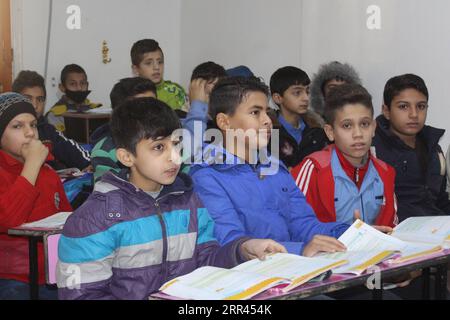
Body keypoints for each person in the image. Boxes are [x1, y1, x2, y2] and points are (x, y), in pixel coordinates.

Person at [57, 97, 286, 300]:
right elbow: (82, 295)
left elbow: (206, 263)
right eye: (159, 147)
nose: (174, 157)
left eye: (176, 144)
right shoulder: (95, 218)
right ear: (126, 157)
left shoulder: (188, 201)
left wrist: (242, 249)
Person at [189, 76, 349, 257]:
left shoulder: (274, 167)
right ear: (224, 122)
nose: (267, 120)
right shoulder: (207, 176)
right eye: (255, 113)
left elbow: (304, 224)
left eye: (267, 111)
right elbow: (232, 243)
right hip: (250, 279)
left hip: (293, 269)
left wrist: (351, 233)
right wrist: (301, 250)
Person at [291, 84, 397, 228]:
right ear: (330, 132)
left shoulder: (385, 172)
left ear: (373, 128)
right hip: (326, 250)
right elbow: (294, 224)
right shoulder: (314, 169)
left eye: (364, 124)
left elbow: (391, 226)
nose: (358, 134)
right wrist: (347, 234)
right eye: (347, 126)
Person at [0, 92, 72, 300]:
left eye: (33, 125)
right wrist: (31, 165)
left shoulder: (48, 174)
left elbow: (67, 221)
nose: (30, 133)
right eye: (17, 126)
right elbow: (9, 219)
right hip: (12, 277)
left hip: (53, 275)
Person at [373, 73, 450, 221]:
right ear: (386, 111)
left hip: (436, 229)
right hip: (393, 233)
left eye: (421, 106)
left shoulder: (433, 147)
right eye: (403, 106)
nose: (414, 114)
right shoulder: (371, 149)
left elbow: (440, 201)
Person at [12, 70, 91, 171]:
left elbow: (74, 153)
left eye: (40, 99)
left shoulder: (48, 131)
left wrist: (88, 164)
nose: (35, 105)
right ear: (15, 99)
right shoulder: (6, 133)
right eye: (28, 98)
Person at [90, 77, 157, 182]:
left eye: (155, 106)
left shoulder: (169, 141)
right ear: (119, 115)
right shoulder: (104, 152)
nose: (151, 113)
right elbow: (109, 193)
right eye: (141, 108)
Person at [269, 66, 329, 168]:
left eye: (307, 91)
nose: (305, 98)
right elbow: (269, 172)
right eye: (297, 93)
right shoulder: (270, 132)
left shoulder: (317, 130)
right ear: (278, 98)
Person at [131, 39, 188, 112]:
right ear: (135, 69)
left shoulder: (176, 91)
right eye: (148, 63)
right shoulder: (128, 94)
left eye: (160, 62)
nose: (156, 67)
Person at [46, 64, 102, 132]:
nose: (79, 88)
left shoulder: (95, 110)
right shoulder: (55, 115)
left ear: (87, 85)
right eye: (73, 84)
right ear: (62, 87)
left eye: (82, 83)